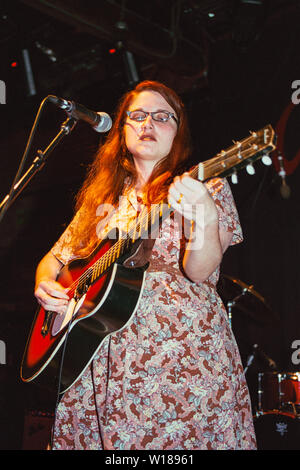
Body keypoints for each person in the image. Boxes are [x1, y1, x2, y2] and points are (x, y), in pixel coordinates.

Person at [34, 80, 257, 450]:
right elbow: (55, 259)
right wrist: (45, 284)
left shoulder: (205, 188)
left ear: (178, 132)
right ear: (121, 131)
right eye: (136, 116)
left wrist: (202, 211)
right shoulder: (99, 201)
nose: (147, 123)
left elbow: (200, 272)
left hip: (180, 357)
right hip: (97, 358)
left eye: (161, 116)